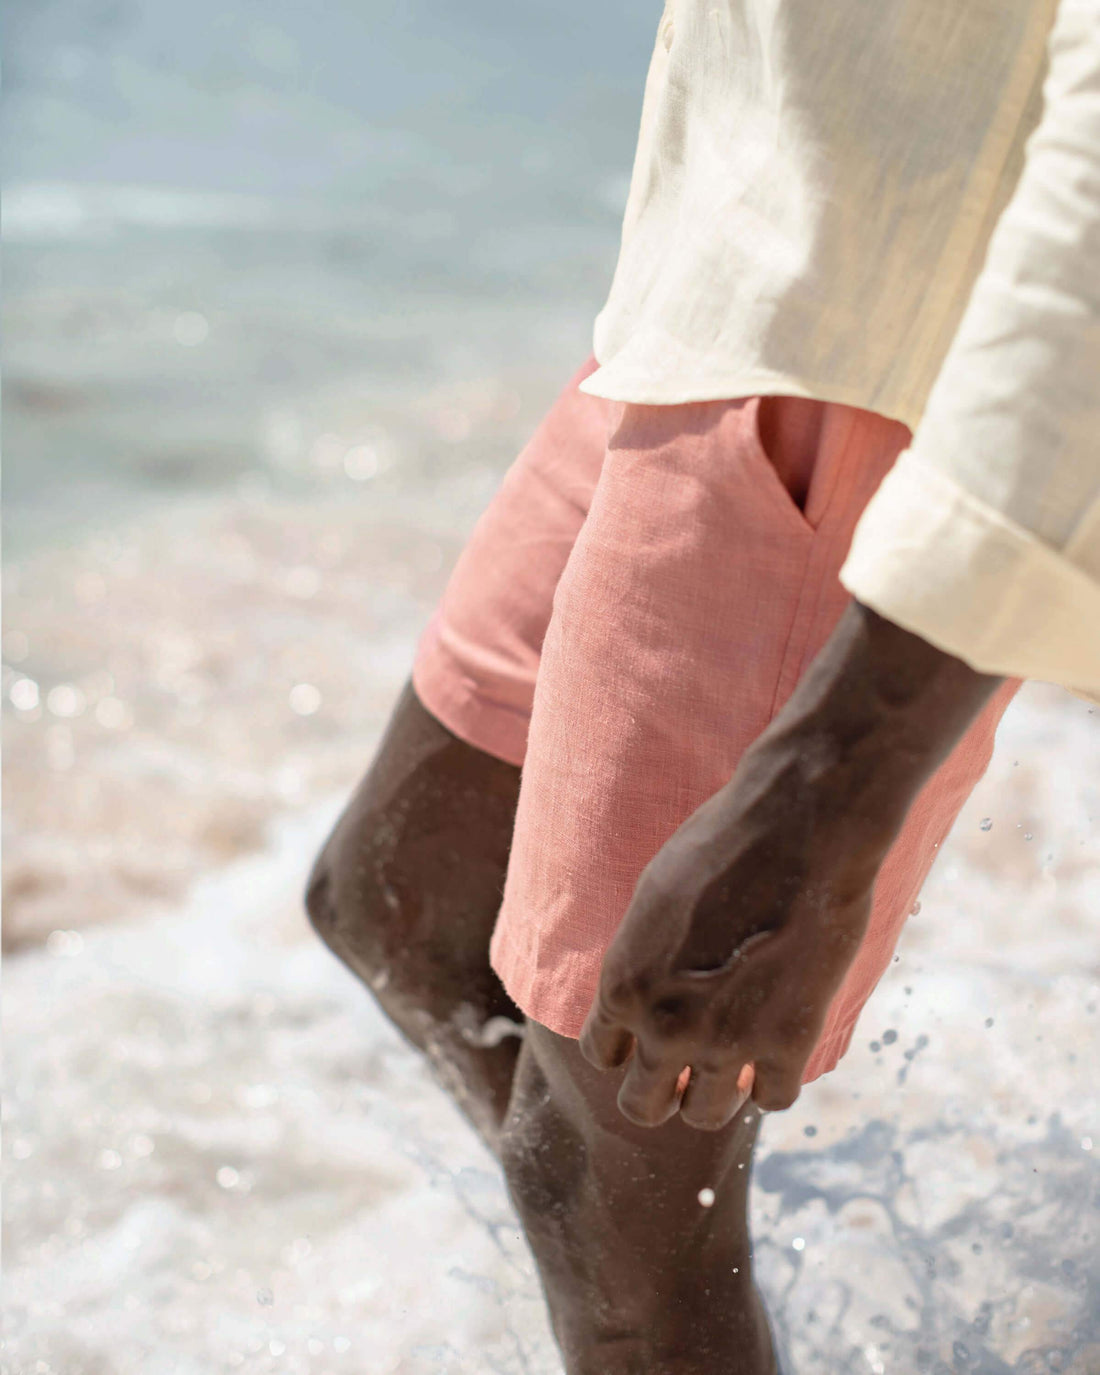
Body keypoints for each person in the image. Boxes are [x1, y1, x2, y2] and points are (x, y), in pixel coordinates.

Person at [305, 1, 1100, 1370]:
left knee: (607, 1177)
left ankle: (660, 1291)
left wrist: (828, 785)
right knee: (403, 899)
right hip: (738, 256)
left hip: (884, 356)